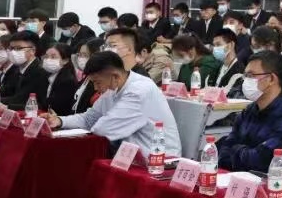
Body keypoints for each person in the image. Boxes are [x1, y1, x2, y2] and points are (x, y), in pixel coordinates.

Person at [47, 51, 182, 157]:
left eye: (97, 82)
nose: (95, 88)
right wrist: (59, 121)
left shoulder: (139, 90)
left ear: (115, 76)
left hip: (159, 159)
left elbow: (103, 129)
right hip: (131, 156)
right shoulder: (113, 88)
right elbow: (90, 118)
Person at [216, 50, 282, 172]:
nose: (245, 81)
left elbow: (261, 161)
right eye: (245, 76)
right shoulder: (248, 111)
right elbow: (223, 151)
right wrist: (243, 153)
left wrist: (237, 150)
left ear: (271, 79)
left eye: (251, 75)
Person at [1, 30, 50, 110]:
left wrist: (4, 104)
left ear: (33, 50)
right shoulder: (15, 69)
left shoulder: (40, 72)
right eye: (12, 48)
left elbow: (23, 99)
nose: (13, 52)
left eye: (18, 48)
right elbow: (8, 92)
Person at [43, 42, 80, 116]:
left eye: (53, 57)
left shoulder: (67, 81)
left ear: (65, 60)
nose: (48, 60)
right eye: (46, 57)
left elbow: (56, 106)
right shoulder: (47, 75)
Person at [72, 38, 101, 114]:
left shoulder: (99, 81)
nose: (81, 58)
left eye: (85, 55)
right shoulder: (86, 77)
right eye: (80, 55)